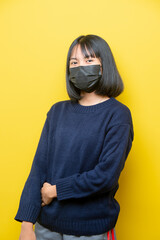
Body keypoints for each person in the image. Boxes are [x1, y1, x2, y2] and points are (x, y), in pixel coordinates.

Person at [15, 34, 134, 240]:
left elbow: (106, 176)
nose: (80, 66)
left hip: (90, 230)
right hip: (46, 227)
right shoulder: (57, 112)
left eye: (89, 60)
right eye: (74, 62)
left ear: (104, 65)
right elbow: (38, 168)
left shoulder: (118, 114)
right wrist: (27, 223)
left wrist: (55, 191)